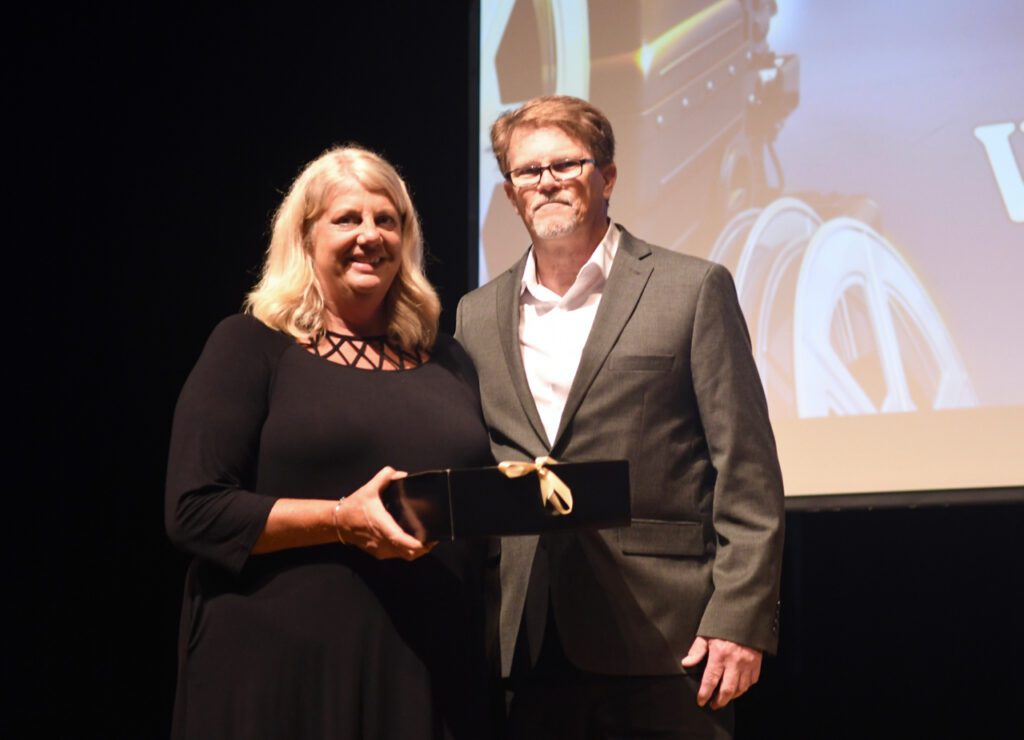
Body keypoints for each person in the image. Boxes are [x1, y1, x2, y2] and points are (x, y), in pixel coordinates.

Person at [455, 95, 785, 739]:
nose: (546, 181)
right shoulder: (476, 313)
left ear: (606, 177)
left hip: (666, 636)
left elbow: (746, 470)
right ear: (510, 193)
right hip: (525, 637)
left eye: (566, 164)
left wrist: (739, 621)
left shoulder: (692, 288)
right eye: (528, 172)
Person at [166, 145, 493, 739]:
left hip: (425, 671)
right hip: (280, 671)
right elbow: (195, 510)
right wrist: (341, 519)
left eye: (386, 220)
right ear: (306, 236)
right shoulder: (250, 347)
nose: (370, 236)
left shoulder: (449, 359)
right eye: (347, 219)